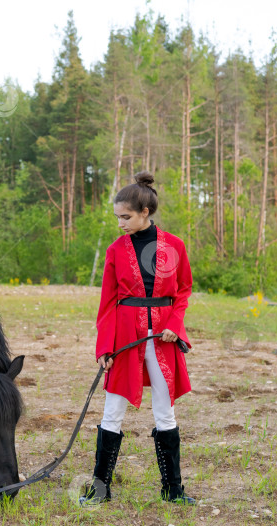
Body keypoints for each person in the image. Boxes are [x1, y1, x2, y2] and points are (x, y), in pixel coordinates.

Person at [80, 171, 196, 506]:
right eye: (117, 217)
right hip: (125, 339)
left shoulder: (174, 246)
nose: (120, 223)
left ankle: (173, 490)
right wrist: (104, 346)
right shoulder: (116, 250)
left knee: (165, 412)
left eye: (125, 217)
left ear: (145, 212)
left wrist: (175, 323)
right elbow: (107, 302)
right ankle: (100, 489)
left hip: (163, 338)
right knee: (112, 411)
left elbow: (184, 291)